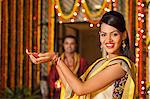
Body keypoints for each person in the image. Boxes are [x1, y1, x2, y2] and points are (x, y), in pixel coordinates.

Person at [27, 11, 136, 99]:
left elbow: (80, 89)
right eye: (104, 35)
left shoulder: (120, 66)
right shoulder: (101, 63)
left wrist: (57, 59)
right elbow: (72, 88)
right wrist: (55, 60)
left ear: (124, 35)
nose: (108, 40)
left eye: (115, 34)